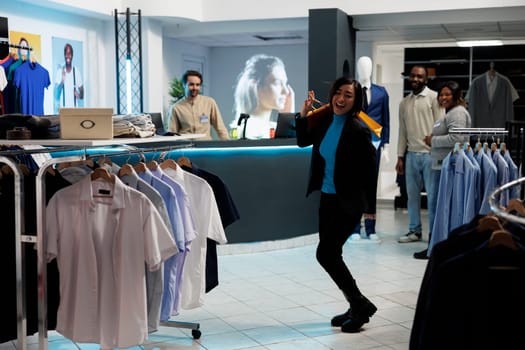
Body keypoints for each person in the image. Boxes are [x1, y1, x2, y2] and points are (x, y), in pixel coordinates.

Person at [295, 77, 377, 333]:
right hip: (328, 199)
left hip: (348, 201)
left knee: (325, 254)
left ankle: (359, 305)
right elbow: (302, 141)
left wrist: (370, 208)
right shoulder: (327, 121)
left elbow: (369, 173)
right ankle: (356, 304)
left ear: (356, 100)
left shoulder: (359, 130)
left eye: (348, 95)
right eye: (338, 93)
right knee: (332, 254)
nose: (341, 99)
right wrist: (303, 114)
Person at [413, 80, 472, 259]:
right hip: (441, 166)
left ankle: (436, 247)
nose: (443, 97)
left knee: (438, 208)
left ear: (456, 95)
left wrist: (433, 141)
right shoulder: (452, 112)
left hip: (446, 167)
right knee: (437, 207)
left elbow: (457, 138)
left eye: (447, 94)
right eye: (441, 94)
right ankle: (436, 245)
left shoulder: (458, 113)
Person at [396, 65, 444, 245]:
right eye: (413, 76)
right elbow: (402, 132)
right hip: (411, 156)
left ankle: (434, 234)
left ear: (426, 79)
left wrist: (438, 152)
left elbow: (441, 125)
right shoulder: (404, 102)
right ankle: (414, 230)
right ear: (409, 78)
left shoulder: (434, 98)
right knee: (412, 196)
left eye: (420, 76)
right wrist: (400, 156)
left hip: (430, 155)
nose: (416, 79)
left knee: (433, 198)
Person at [350, 56, 390, 241]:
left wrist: (387, 145)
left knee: (371, 186)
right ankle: (355, 228)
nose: (364, 69)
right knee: (355, 187)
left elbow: (386, 120)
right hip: (355, 144)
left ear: (372, 69)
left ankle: (371, 228)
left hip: (375, 145)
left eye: (367, 66)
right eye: (361, 66)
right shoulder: (350, 91)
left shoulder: (381, 92)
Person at [231, 54, 294, 139]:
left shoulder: (273, 127)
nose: (286, 91)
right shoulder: (248, 130)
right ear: (257, 87)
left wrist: (287, 116)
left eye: (285, 83)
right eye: (278, 83)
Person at [168, 70, 229, 140]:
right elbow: (172, 134)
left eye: (197, 85)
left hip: (205, 147)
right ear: (184, 85)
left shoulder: (209, 103)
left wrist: (228, 145)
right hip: (186, 147)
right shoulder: (176, 108)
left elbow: (220, 128)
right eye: (191, 84)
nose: (195, 88)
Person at [54, 43, 83, 111]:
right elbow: (56, 95)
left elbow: (82, 90)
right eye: (66, 53)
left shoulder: (76, 71)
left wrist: (79, 95)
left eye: (70, 53)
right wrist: (62, 81)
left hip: (75, 111)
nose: (68, 55)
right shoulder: (60, 72)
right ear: (64, 55)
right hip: (63, 111)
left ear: (72, 55)